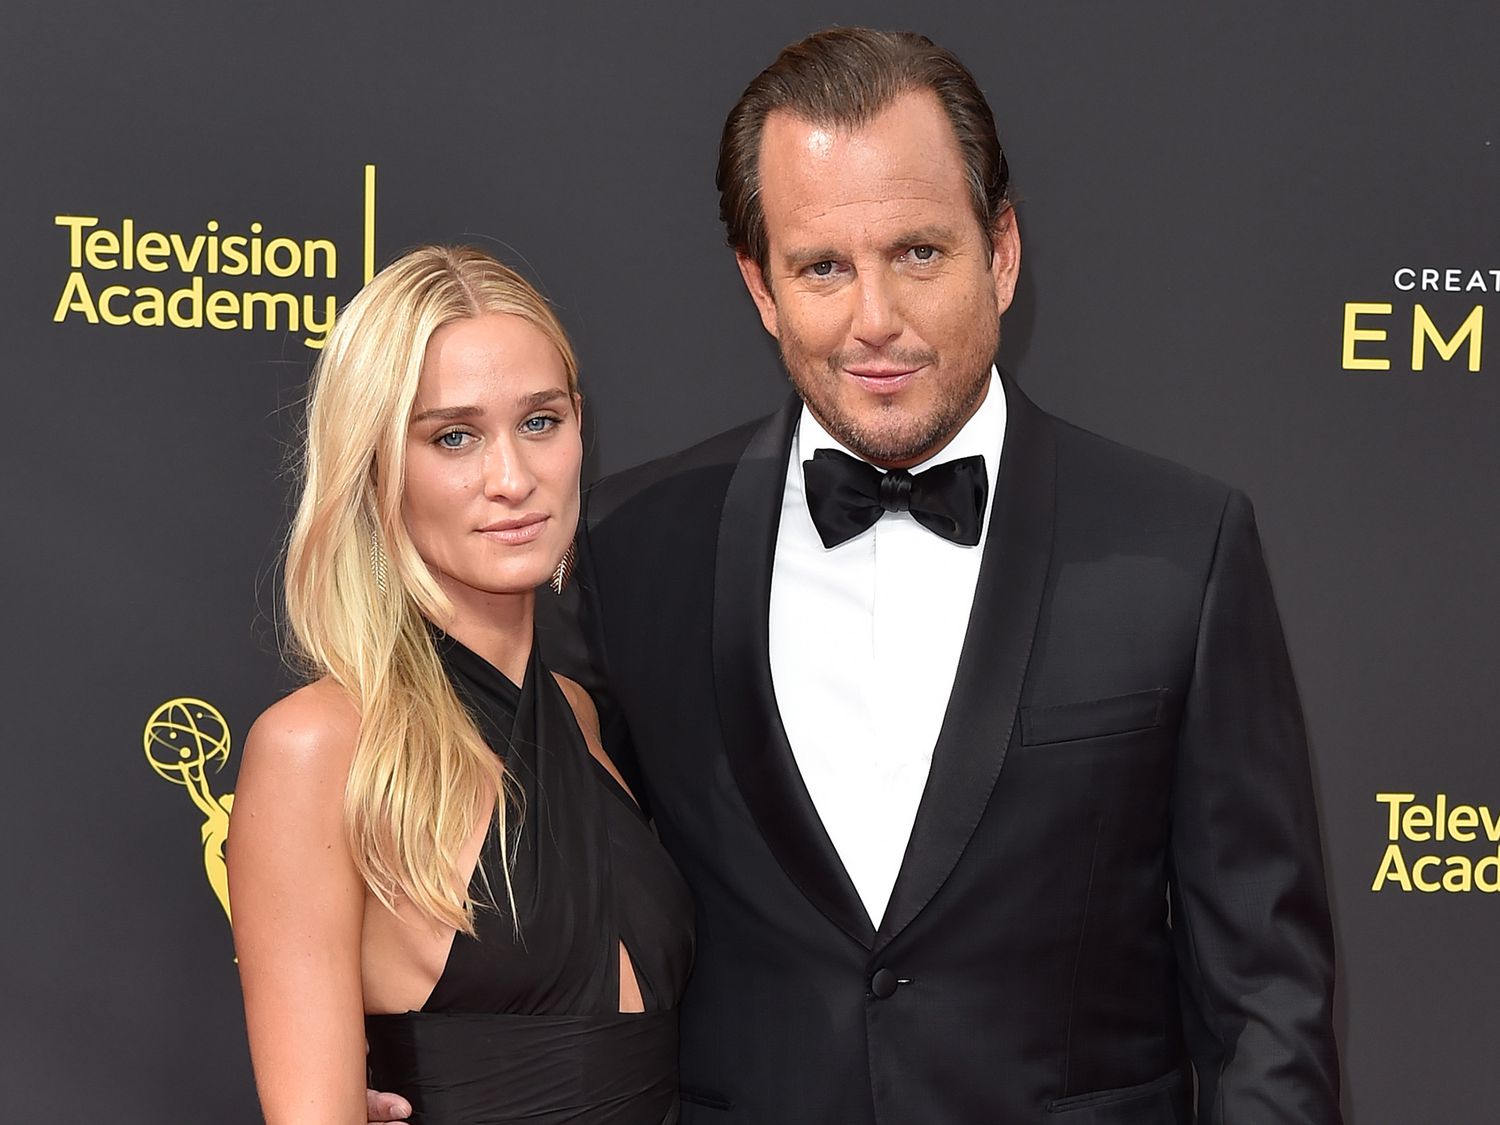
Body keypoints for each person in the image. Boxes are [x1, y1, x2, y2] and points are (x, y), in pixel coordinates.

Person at [371, 27, 1342, 1124]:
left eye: (919, 253)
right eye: (822, 267)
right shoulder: (631, 546)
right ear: (761, 286)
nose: (874, 318)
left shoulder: (1182, 547)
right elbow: (542, 885)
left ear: (1003, 252)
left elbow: (1268, 1002)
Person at [229, 245, 693, 1125]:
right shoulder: (316, 747)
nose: (512, 478)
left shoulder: (582, 717)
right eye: (454, 436)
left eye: (541, 422)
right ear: (375, 468)